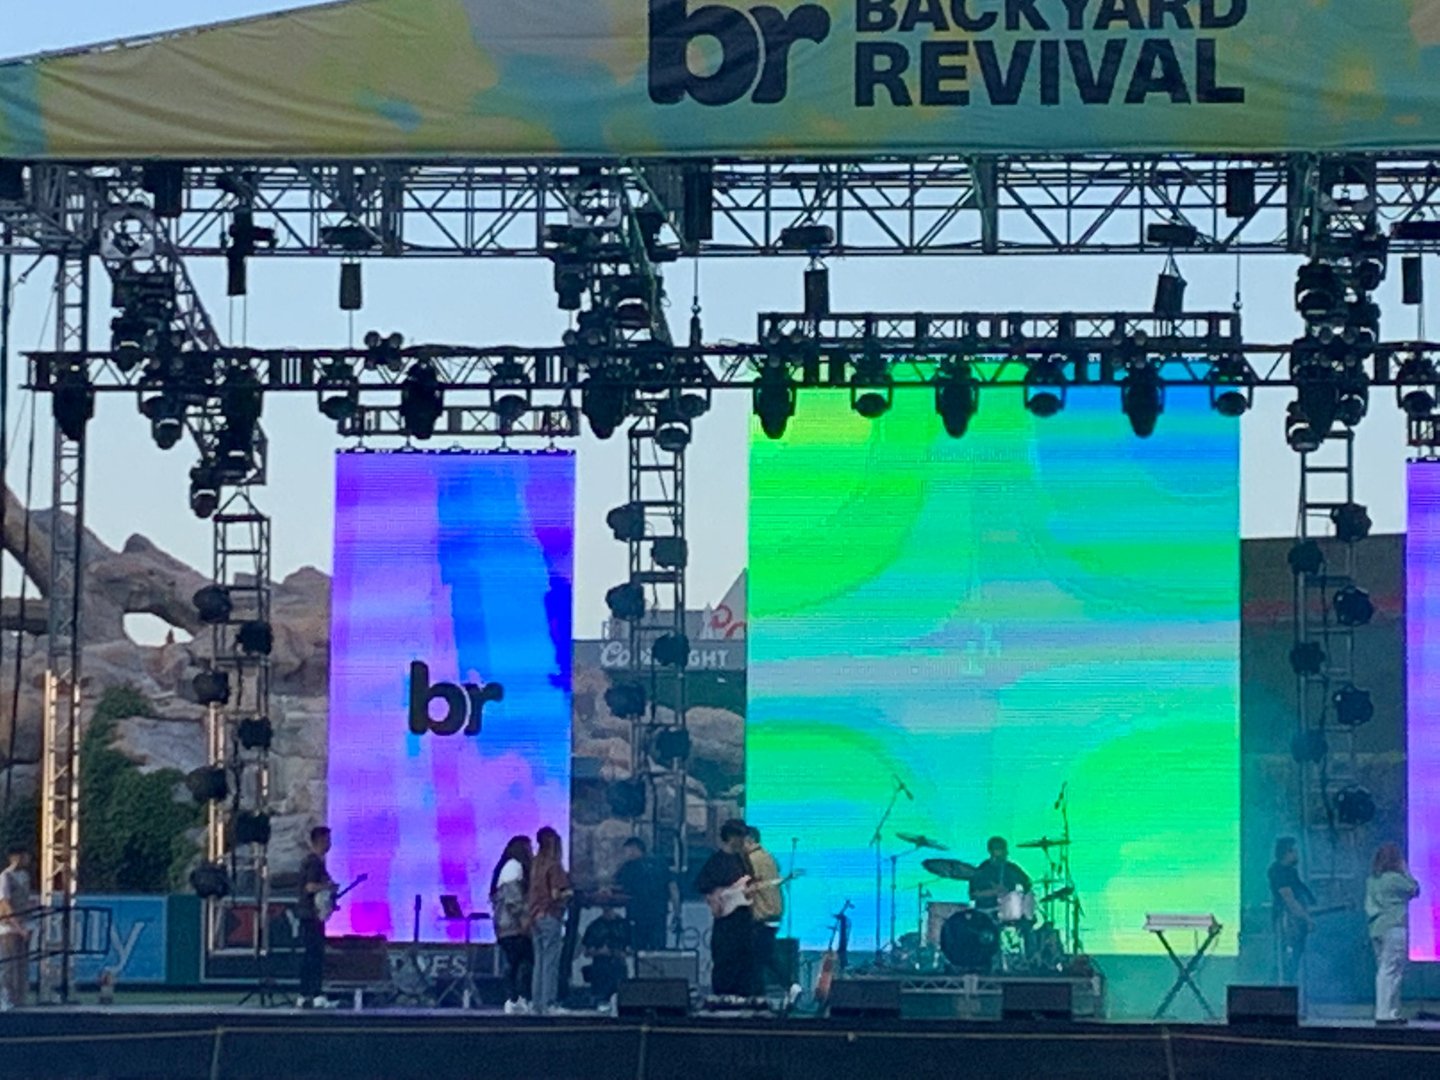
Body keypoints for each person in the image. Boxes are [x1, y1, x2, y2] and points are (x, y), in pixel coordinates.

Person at [694, 819, 755, 997]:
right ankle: (722, 996)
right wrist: (715, 896)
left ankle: (742, 996)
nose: (743, 840)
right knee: (724, 959)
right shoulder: (716, 861)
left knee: (744, 960)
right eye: (740, 836)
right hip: (726, 922)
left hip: (743, 919)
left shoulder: (743, 860)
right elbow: (702, 885)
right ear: (730, 837)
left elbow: (749, 884)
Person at [1366, 842, 1420, 1024]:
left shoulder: (1372, 880)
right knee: (1392, 970)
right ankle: (1386, 1013)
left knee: (1384, 969)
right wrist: (1406, 870)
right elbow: (1415, 889)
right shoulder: (1395, 879)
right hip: (1394, 926)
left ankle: (1389, 1012)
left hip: (1376, 927)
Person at [528, 826, 572, 1015]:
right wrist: (569, 893)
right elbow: (556, 894)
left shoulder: (535, 865)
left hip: (535, 916)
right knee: (551, 961)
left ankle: (537, 1003)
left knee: (539, 961)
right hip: (550, 915)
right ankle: (549, 1003)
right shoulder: (554, 866)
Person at [490, 835, 534, 1015]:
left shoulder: (506, 868)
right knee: (521, 961)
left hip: (505, 925)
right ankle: (516, 997)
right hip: (512, 925)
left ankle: (514, 998)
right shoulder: (513, 867)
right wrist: (524, 919)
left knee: (514, 962)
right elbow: (513, 899)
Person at [295, 826, 338, 1009]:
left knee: (311, 955)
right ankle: (315, 994)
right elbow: (310, 887)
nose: (330, 844)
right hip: (312, 915)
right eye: (328, 840)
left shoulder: (311, 861)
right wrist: (328, 887)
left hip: (310, 915)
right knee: (315, 955)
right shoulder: (314, 863)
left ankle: (306, 994)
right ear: (320, 840)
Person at [613, 838, 677, 952]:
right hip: (659, 915)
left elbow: (616, 886)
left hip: (637, 916)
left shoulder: (630, 867)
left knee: (638, 951)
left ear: (633, 849)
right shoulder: (661, 863)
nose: (626, 855)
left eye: (626, 851)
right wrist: (677, 912)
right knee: (657, 950)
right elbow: (673, 888)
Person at [1268, 837, 1315, 985]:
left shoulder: (1291, 872)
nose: (1297, 854)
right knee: (1288, 959)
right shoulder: (1278, 872)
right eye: (1295, 851)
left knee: (1297, 957)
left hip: (1297, 921)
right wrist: (1307, 918)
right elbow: (1289, 900)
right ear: (1287, 852)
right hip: (1288, 921)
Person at [744, 827, 785, 994]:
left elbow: (747, 888)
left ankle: (789, 986)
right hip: (774, 913)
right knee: (763, 957)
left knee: (758, 959)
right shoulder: (769, 857)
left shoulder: (751, 860)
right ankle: (787, 986)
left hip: (761, 914)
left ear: (750, 840)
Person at [0, 845, 32, 1011]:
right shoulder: (5, 877)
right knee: (9, 965)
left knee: (21, 965)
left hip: (24, 925)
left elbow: (24, 900)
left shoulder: (25, 876)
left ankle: (20, 999)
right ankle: (6, 998)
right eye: (24, 856)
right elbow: (5, 904)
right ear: (16, 857)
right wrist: (18, 927)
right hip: (8, 927)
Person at [580, 905, 632, 1005]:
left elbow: (631, 949)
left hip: (619, 969)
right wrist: (600, 952)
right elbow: (586, 952)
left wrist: (621, 953)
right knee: (601, 1000)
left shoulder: (624, 925)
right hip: (601, 970)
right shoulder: (594, 926)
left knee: (621, 1000)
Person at [968, 837, 1031, 915]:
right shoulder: (982, 869)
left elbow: (1027, 884)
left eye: (1004, 849)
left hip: (1008, 910)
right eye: (1000, 849)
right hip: (985, 911)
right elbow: (973, 895)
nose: (1006, 853)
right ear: (991, 851)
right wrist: (993, 892)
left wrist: (1020, 898)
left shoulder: (1011, 868)